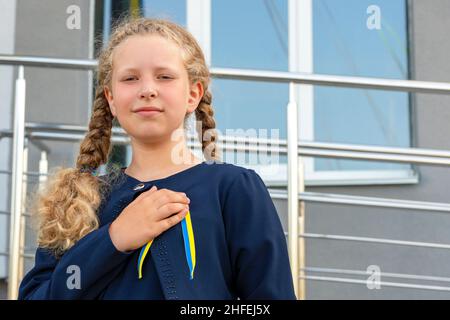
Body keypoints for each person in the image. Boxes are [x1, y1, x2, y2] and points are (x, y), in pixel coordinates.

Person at [18, 16, 296, 300]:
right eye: (130, 78)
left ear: (193, 94)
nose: (147, 89)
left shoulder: (233, 188)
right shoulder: (78, 200)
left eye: (164, 76)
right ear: (111, 99)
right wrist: (114, 239)